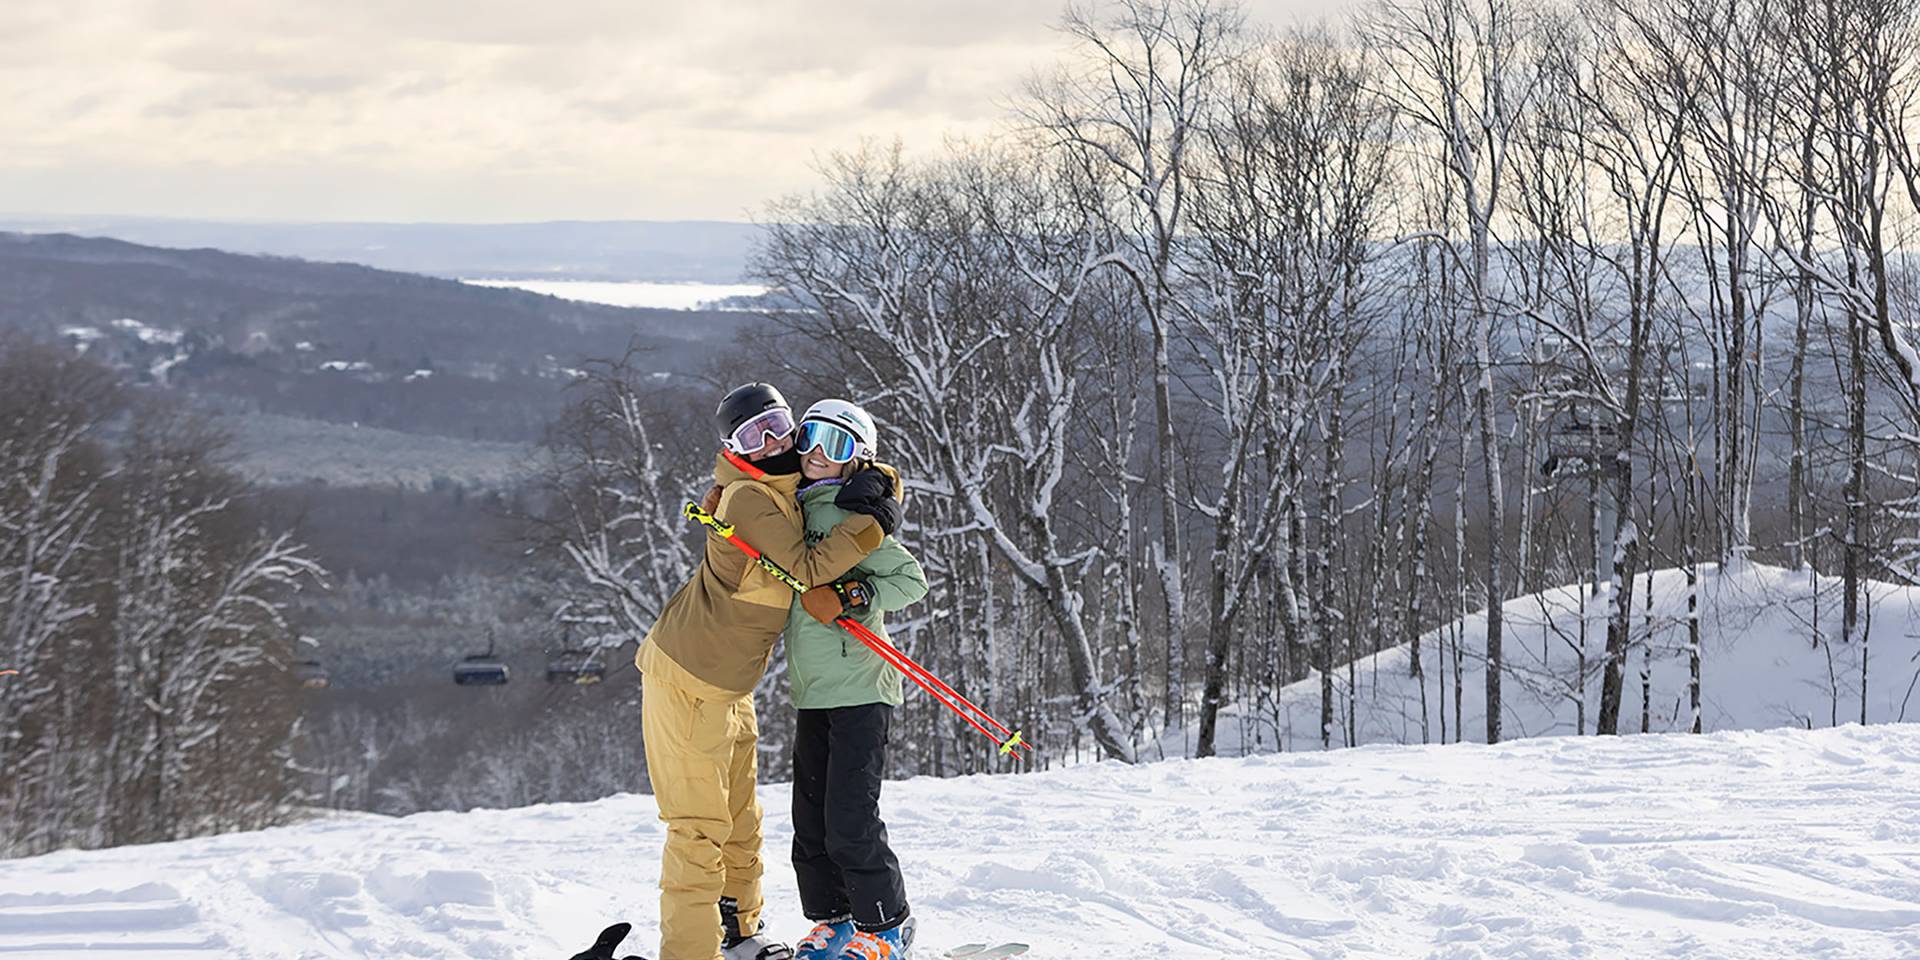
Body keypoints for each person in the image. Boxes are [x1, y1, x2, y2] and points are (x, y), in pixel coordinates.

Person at [636, 383, 901, 960]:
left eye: (782, 426)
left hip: (731, 683)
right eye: (755, 436)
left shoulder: (781, 489)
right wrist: (874, 520)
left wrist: (878, 480)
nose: (776, 441)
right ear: (734, 447)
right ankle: (690, 953)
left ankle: (741, 934)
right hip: (687, 675)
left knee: (740, 822)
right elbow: (807, 568)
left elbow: (835, 472)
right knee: (698, 829)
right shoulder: (750, 500)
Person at [782, 400, 926, 960]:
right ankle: (834, 920)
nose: (818, 454)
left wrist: (851, 594)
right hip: (813, 690)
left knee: (848, 818)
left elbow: (910, 580)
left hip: (863, 687)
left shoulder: (854, 520)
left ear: (855, 461)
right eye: (811, 438)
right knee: (810, 821)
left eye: (835, 446)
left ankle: (888, 926)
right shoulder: (790, 512)